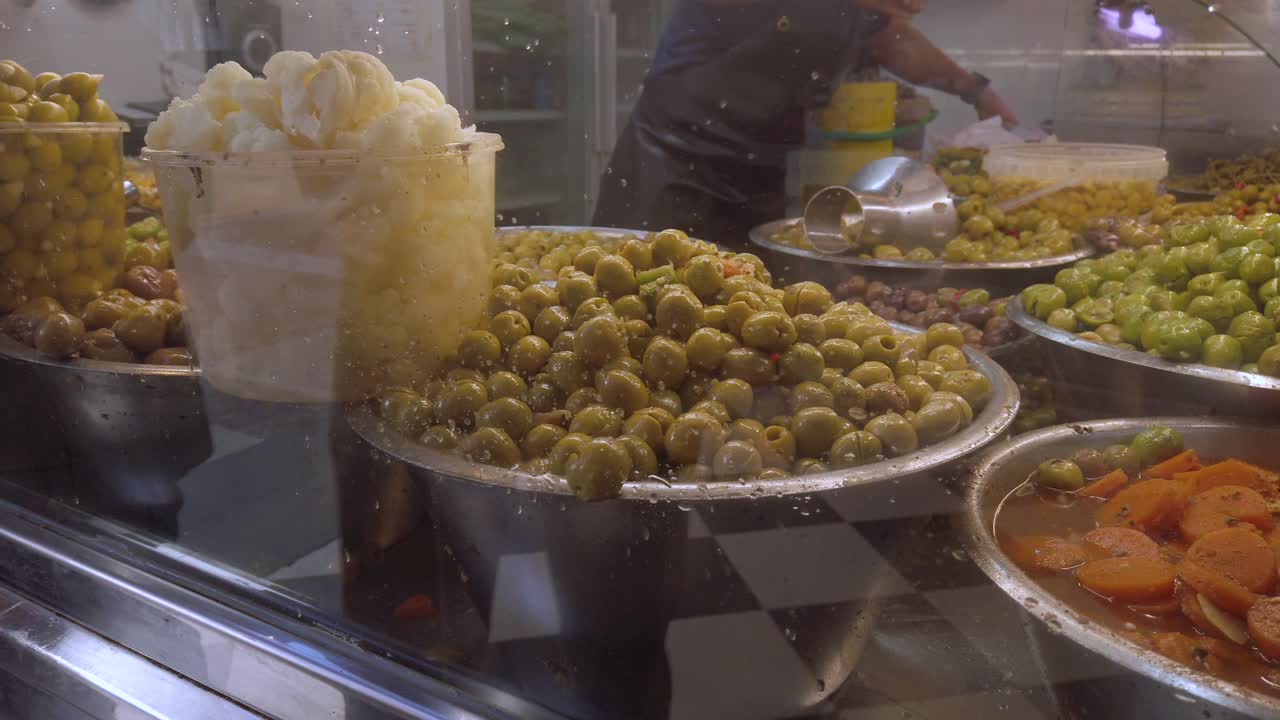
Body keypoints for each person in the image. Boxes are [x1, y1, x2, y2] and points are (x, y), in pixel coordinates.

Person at [592, 0, 1018, 248]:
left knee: (738, 328)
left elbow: (889, 37)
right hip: (675, 165)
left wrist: (973, 88)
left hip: (763, 174)